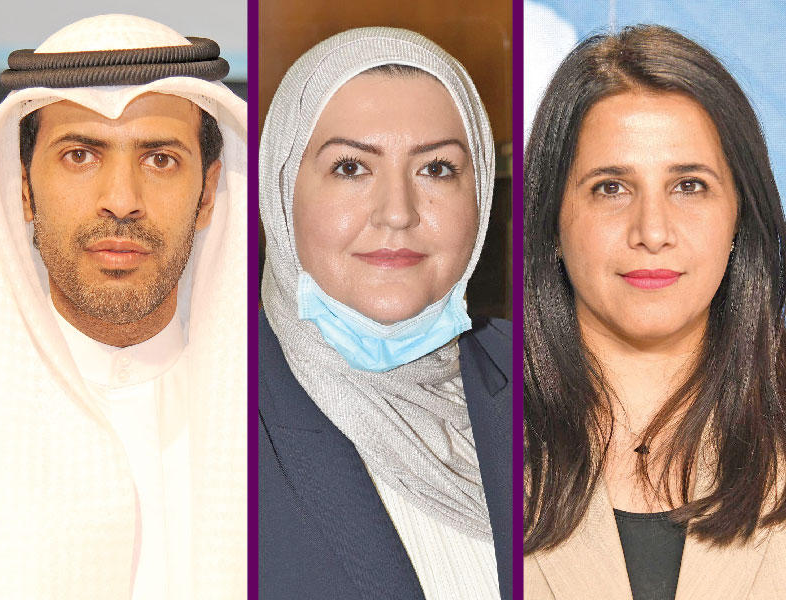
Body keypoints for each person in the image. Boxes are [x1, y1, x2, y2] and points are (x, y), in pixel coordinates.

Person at [0, 15, 247, 599]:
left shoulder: (273, 426)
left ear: (207, 195)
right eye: (80, 155)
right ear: (24, 190)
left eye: (160, 159)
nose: (122, 201)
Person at [523, 25, 786, 600]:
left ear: (739, 217)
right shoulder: (470, 439)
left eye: (689, 186)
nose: (652, 231)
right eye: (611, 187)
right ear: (552, 221)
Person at [258, 27, 512, 600]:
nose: (397, 213)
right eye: (351, 168)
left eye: (436, 169)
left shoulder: (551, 378)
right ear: (282, 191)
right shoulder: (215, 408)